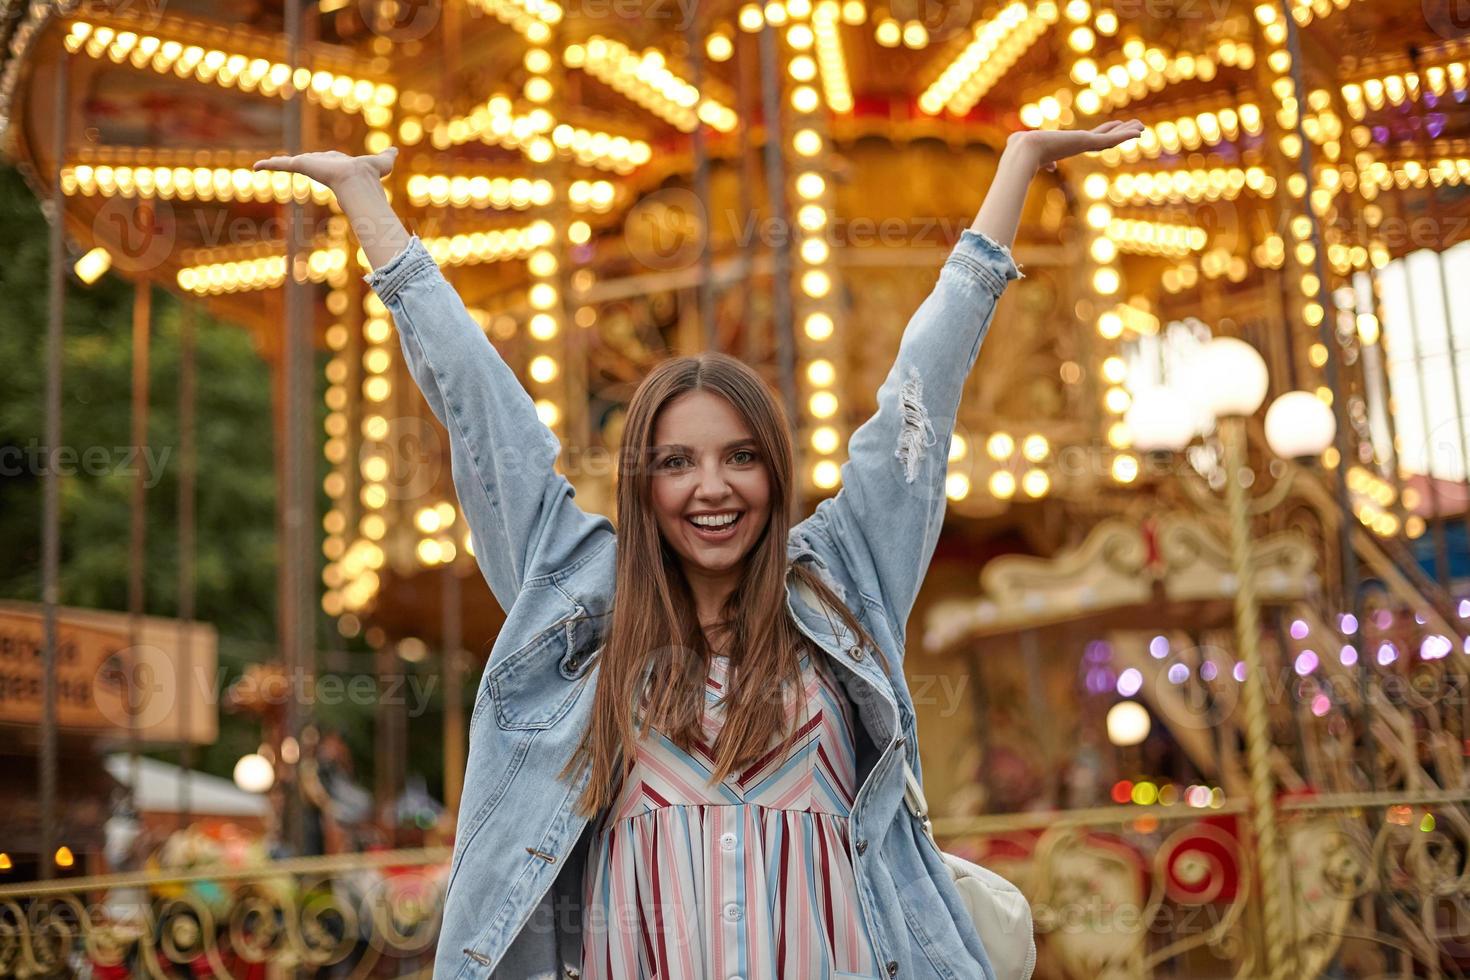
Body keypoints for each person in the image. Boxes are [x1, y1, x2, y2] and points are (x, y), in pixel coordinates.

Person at [254, 116, 1143, 980]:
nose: (710, 487)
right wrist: (372, 213)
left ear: (776, 471)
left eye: (740, 457)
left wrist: (1015, 173)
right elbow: (486, 415)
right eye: (676, 462)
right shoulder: (581, 606)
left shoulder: (843, 581)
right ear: (643, 482)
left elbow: (924, 389)